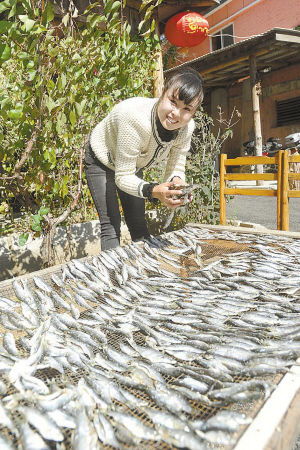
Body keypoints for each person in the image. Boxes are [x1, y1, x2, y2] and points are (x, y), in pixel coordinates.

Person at [85, 67, 204, 250]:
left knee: (138, 224)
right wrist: (153, 191)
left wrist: (177, 183)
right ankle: (112, 276)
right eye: (173, 102)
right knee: (111, 226)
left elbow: (177, 164)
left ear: (193, 113)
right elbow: (123, 176)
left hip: (132, 163)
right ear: (162, 93)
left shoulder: (186, 128)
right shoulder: (134, 118)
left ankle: (145, 274)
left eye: (186, 109)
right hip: (101, 159)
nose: (176, 114)